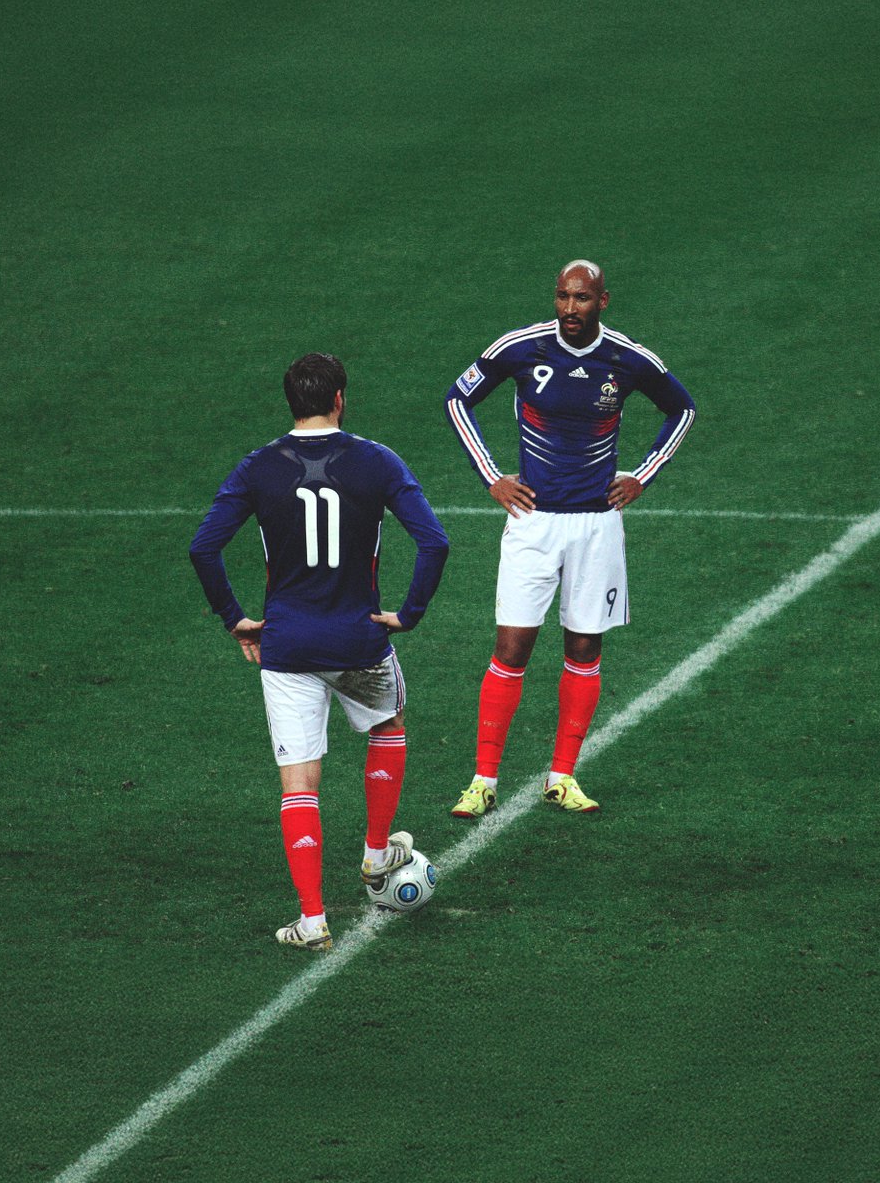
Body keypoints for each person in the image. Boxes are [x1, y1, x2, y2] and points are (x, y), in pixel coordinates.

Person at [190, 353, 449, 950]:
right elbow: (434, 542)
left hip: (286, 645)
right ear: (340, 399)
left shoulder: (257, 468)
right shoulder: (377, 461)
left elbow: (204, 549)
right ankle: (376, 856)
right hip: (360, 639)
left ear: (292, 402)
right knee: (388, 725)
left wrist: (237, 621)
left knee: (299, 783)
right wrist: (407, 614)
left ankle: (312, 922)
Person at [444, 259, 695, 817]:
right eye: (562, 296)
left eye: (581, 299)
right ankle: (484, 780)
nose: (568, 309)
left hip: (596, 526)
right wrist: (492, 476)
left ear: (603, 301)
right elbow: (456, 399)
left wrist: (642, 474)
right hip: (533, 523)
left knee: (584, 647)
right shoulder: (521, 347)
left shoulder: (627, 360)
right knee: (512, 648)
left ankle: (562, 776)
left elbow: (682, 408)